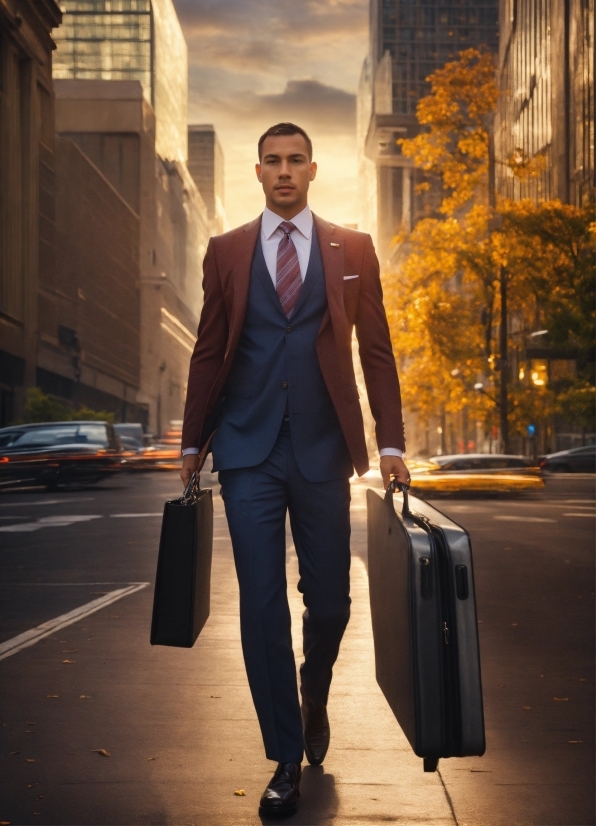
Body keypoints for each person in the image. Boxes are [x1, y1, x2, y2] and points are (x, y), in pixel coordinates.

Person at [180, 122, 409, 817]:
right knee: (260, 607)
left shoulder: (353, 248)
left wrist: (392, 443)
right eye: (272, 162)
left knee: (332, 601)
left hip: (321, 448)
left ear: (313, 170)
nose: (284, 171)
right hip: (247, 449)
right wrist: (192, 447)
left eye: (295, 161)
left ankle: (315, 689)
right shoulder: (224, 252)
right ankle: (283, 756)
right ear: (257, 172)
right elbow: (208, 350)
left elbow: (377, 352)